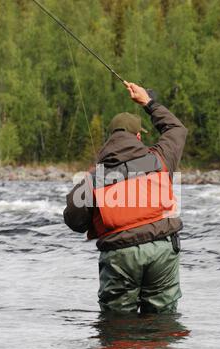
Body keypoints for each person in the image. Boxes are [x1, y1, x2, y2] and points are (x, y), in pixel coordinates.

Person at [64, 82, 188, 314]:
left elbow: (74, 221)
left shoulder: (93, 178)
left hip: (119, 255)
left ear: (111, 137)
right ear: (138, 136)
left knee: (117, 325)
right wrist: (147, 103)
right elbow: (176, 130)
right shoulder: (161, 158)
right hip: (162, 249)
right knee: (162, 322)